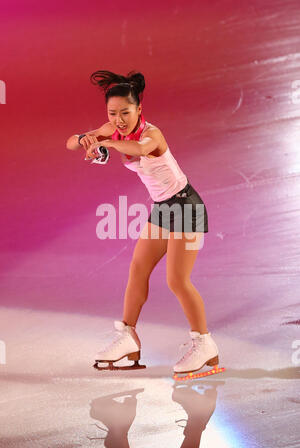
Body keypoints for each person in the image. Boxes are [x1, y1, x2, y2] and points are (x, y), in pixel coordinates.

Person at [66, 70, 220, 376]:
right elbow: (71, 143)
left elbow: (137, 149)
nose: (120, 119)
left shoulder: (153, 134)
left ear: (139, 109)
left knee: (176, 280)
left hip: (187, 207)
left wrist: (108, 142)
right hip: (163, 208)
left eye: (126, 112)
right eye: (113, 113)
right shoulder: (113, 128)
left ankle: (205, 344)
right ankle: (128, 337)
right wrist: (87, 139)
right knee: (138, 268)